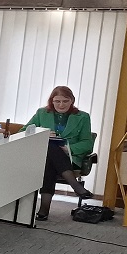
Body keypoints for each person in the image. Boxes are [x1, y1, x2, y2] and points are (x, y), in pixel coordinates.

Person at [27, 85, 94, 218]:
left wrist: (69, 149)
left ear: (72, 101)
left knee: (51, 153)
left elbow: (87, 143)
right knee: (50, 149)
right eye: (57, 101)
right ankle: (75, 185)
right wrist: (42, 133)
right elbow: (25, 132)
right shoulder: (42, 113)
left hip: (70, 158)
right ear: (52, 101)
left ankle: (44, 210)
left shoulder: (82, 117)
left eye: (65, 101)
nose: (61, 105)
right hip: (45, 156)